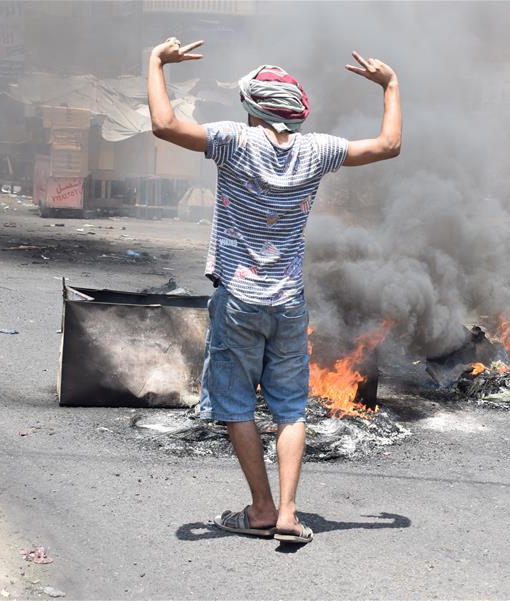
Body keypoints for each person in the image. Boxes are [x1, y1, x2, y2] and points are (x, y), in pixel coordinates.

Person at [147, 36, 401, 544]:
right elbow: (387, 145)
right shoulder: (318, 150)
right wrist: (390, 85)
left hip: (238, 300)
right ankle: (288, 513)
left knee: (235, 405)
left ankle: (261, 508)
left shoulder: (234, 142)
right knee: (289, 409)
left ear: (250, 109)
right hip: (288, 301)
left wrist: (155, 62)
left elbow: (164, 124)